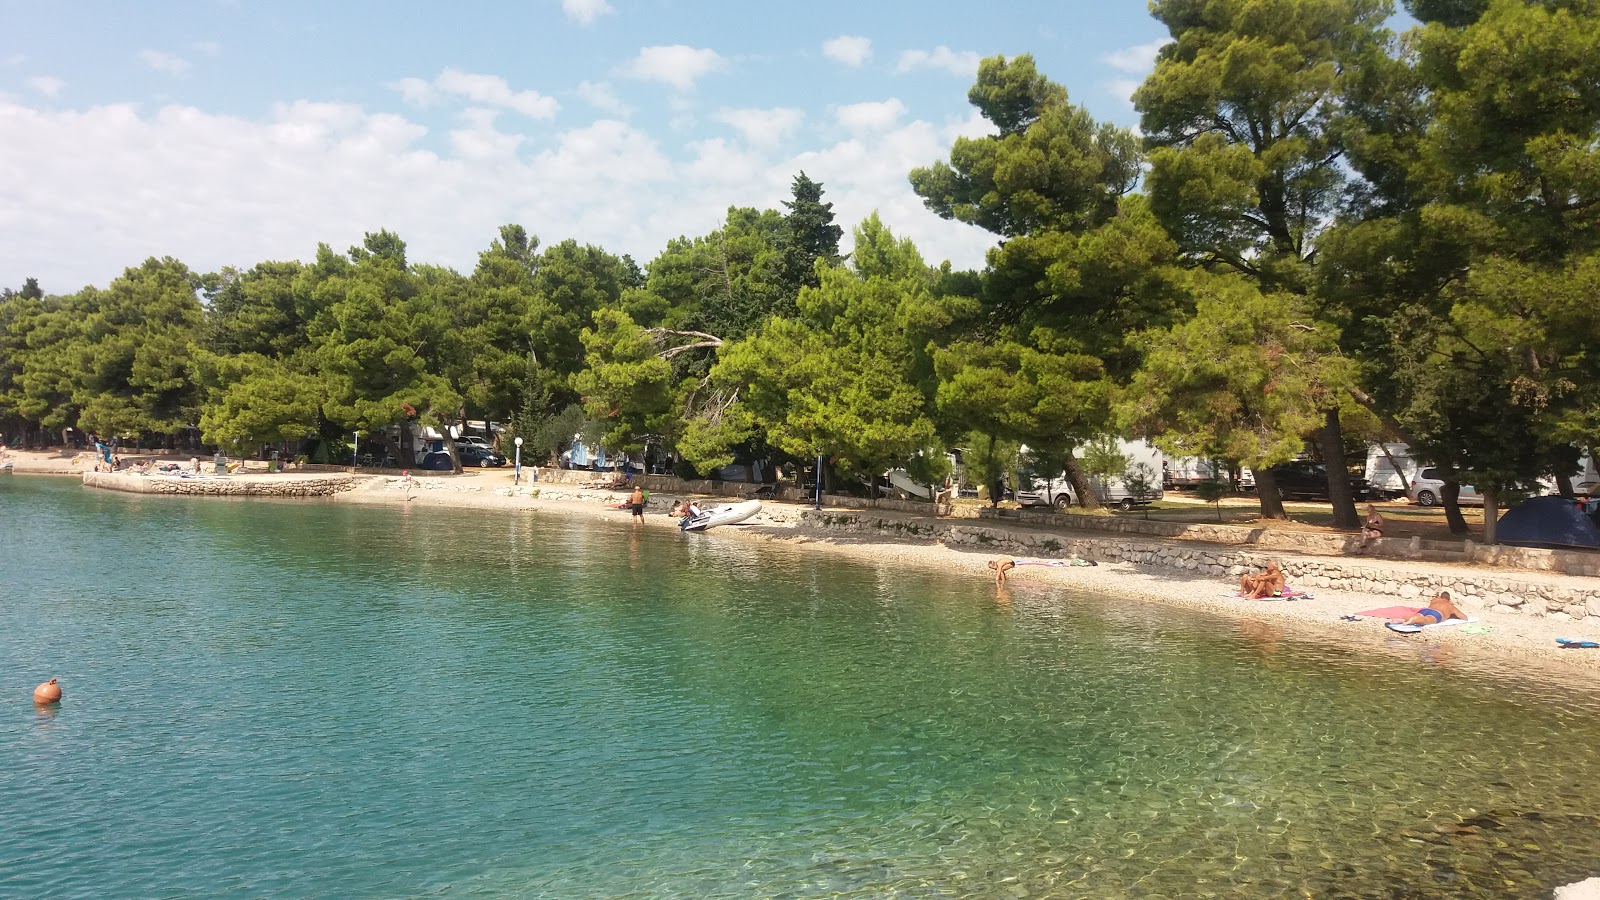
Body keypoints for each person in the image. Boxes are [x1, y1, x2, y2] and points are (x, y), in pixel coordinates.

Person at [1397, 591, 1467, 626]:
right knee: (1426, 620)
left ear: (1440, 597)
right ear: (1449, 599)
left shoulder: (1434, 600)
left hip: (1426, 610)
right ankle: (1412, 621)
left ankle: (1402, 619)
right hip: (1436, 614)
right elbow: (1464, 617)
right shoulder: (1450, 606)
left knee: (1415, 616)